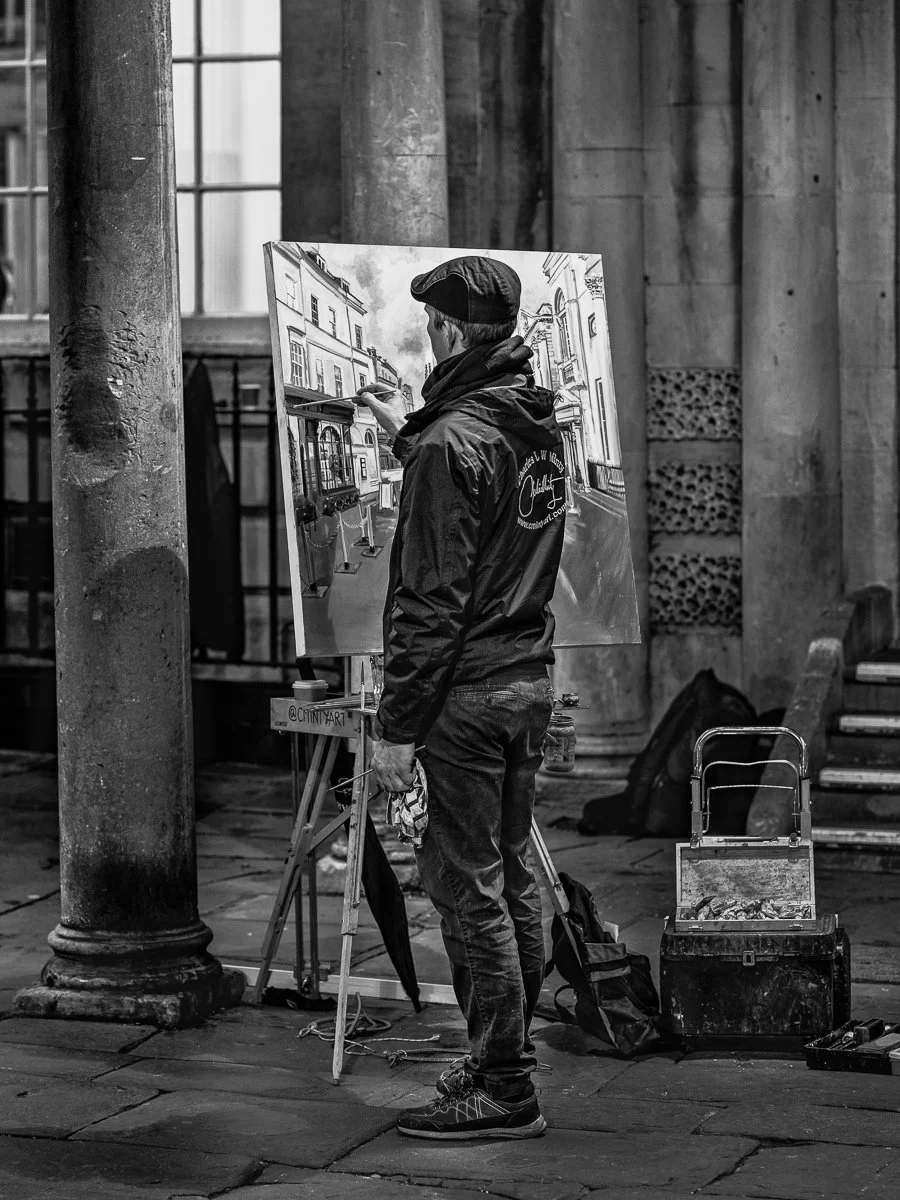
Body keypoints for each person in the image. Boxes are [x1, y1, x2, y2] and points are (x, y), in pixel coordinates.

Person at [356, 256, 568, 1141]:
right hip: (525, 680)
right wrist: (407, 426)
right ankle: (498, 1059)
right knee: (511, 872)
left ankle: (507, 1085)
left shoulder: (456, 442)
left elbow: (430, 601)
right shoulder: (531, 422)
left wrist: (397, 728)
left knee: (464, 885)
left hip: (467, 694)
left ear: (446, 331)